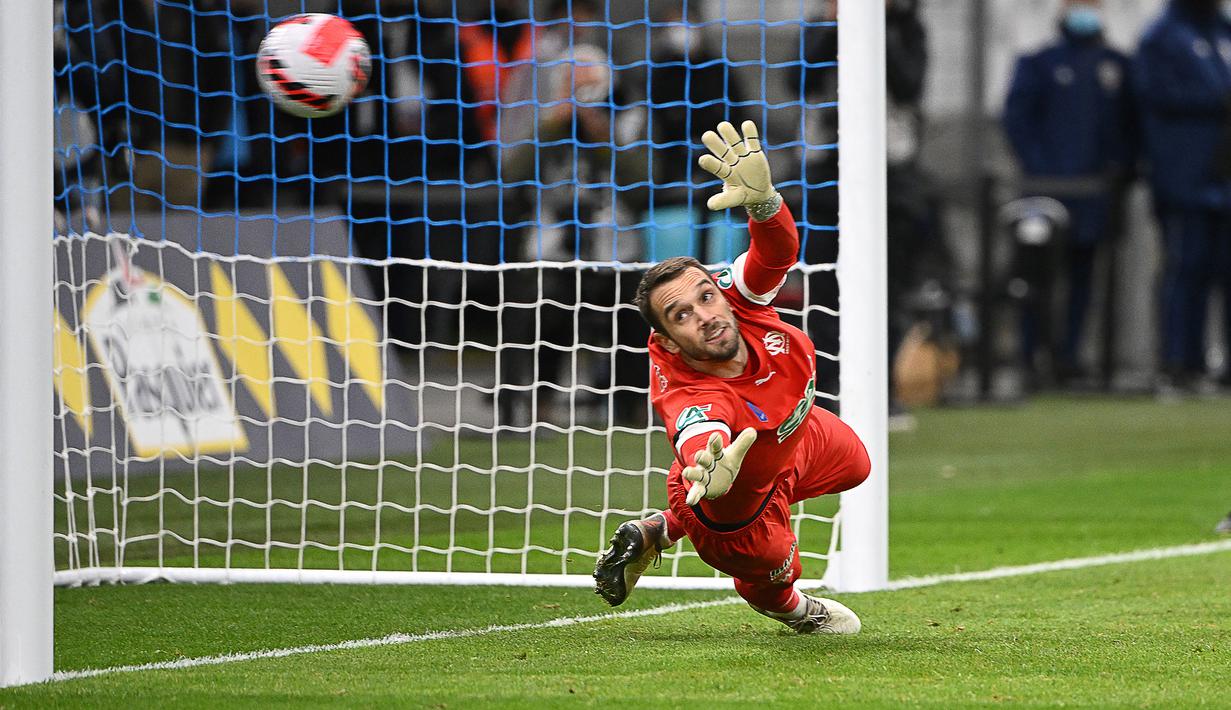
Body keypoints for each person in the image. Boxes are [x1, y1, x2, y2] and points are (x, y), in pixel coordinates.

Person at [593, 121, 871, 634]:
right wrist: (709, 466)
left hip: (796, 436)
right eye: (681, 315)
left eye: (705, 295)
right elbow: (699, 430)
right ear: (671, 341)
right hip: (736, 509)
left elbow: (776, 254)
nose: (704, 313)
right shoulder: (690, 392)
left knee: (856, 464)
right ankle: (793, 609)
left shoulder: (733, 298)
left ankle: (660, 526)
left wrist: (764, 204)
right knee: (773, 571)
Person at [1003, 0, 1137, 386]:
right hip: (1045, 193)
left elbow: (1127, 128)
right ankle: (1030, 357)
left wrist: (1117, 171)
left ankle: (1070, 358)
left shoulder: (1116, 65)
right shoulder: (1038, 63)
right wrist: (1042, 174)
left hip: (1095, 196)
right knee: (1036, 275)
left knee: (1084, 276)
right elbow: (1018, 121)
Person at [1135, 0, 1231, 394]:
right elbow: (1156, 96)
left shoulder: (1223, 30)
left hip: (1225, 176)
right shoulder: (1163, 36)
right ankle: (1179, 363)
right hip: (1184, 175)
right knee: (1185, 267)